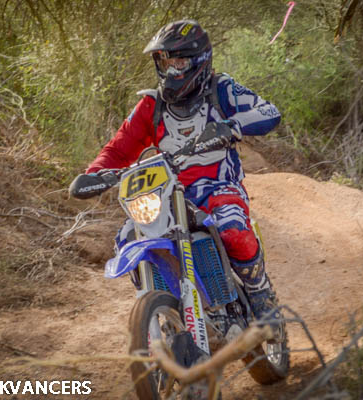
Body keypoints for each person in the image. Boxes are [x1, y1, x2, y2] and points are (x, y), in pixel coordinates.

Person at [85, 20, 281, 320]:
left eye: (179, 62)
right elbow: (118, 149)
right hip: (166, 194)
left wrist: (232, 126)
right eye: (166, 62)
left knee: (232, 228)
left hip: (218, 186)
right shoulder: (151, 105)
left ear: (199, 61)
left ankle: (259, 290)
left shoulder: (221, 89)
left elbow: (269, 112)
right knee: (128, 237)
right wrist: (95, 173)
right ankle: (161, 310)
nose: (171, 70)